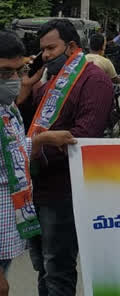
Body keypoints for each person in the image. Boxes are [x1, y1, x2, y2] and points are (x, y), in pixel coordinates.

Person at [16, 19, 113, 296]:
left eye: (50, 48)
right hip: (34, 187)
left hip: (63, 191)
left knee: (57, 266)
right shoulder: (49, 83)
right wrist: (25, 89)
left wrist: (37, 148)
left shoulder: (94, 80)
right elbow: (21, 127)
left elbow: (83, 136)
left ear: (71, 46)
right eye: (42, 50)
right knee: (43, 267)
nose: (45, 55)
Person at [0, 32, 77, 295]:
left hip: (8, 230)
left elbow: (14, 152)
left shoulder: (7, 107)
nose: (12, 79)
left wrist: (42, 140)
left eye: (16, 71)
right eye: (4, 72)